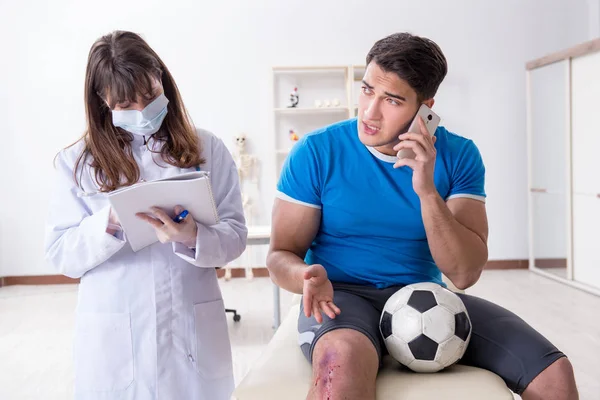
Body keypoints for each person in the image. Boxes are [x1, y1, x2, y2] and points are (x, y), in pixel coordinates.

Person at [267, 32, 578, 400]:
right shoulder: (317, 151)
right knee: (342, 364)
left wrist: (427, 190)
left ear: (425, 107)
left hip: (426, 299)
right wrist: (305, 275)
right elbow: (279, 254)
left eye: (392, 100)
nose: (369, 111)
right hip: (340, 296)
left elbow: (463, 274)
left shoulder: (459, 156)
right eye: (367, 90)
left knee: (555, 375)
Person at [44, 31, 247, 400]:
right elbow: (61, 253)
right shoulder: (75, 163)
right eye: (125, 102)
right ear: (102, 101)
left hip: (190, 324)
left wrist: (192, 236)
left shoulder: (208, 148)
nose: (141, 110)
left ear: (163, 81)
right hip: (116, 329)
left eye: (150, 96)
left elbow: (234, 234)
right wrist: (111, 220)